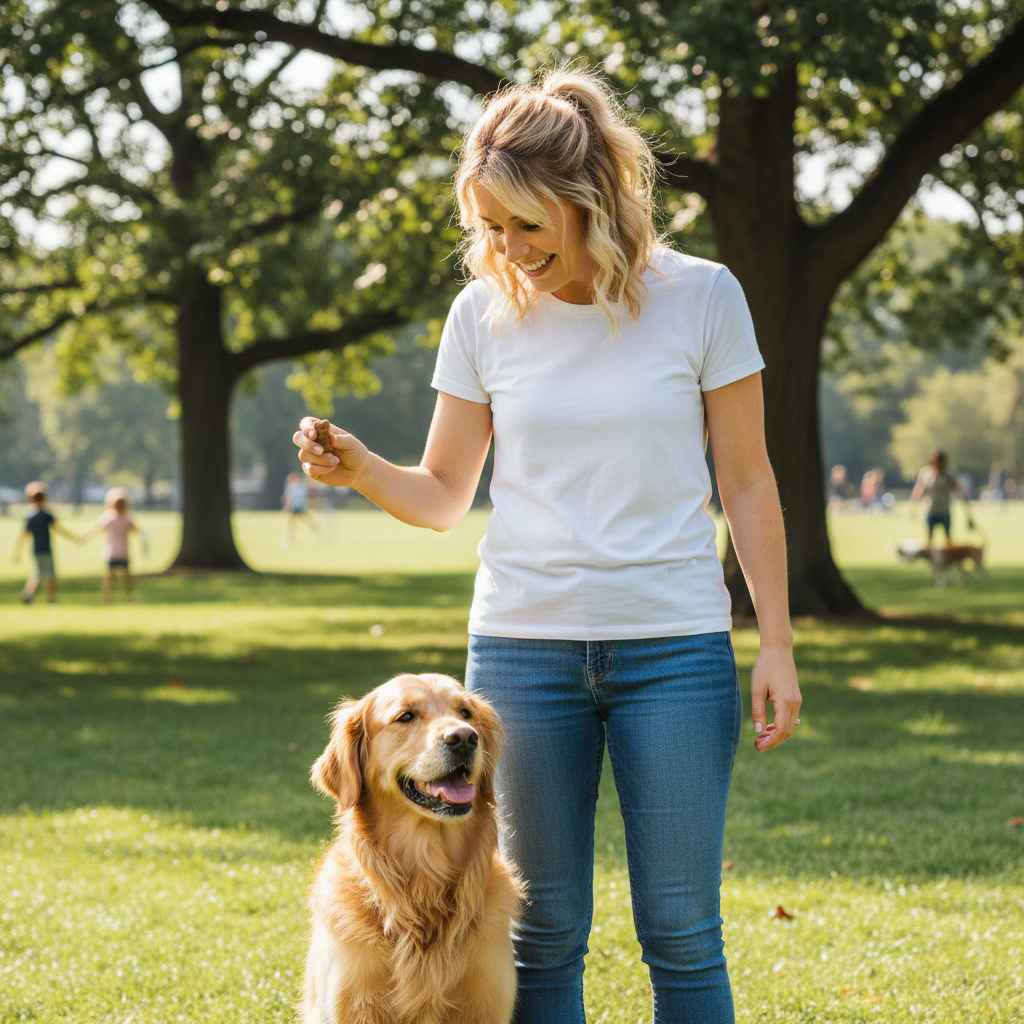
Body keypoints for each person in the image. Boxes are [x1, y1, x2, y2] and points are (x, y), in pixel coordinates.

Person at [293, 68, 801, 1024]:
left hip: (675, 649)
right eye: (489, 226)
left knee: (683, 932)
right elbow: (443, 495)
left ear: (592, 198)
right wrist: (362, 469)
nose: (508, 249)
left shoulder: (703, 297)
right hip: (523, 654)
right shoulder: (480, 316)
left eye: (527, 224)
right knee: (544, 930)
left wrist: (774, 640)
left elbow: (747, 480)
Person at [12, 482, 77, 603]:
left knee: (38, 574)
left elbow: (23, 536)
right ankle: (51, 599)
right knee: (51, 575)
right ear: (44, 499)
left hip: (36, 549)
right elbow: (59, 528)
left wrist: (17, 553)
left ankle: (28, 594)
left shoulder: (29, 517)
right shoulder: (46, 516)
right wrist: (72, 537)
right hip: (46, 549)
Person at [77, 487, 139, 603]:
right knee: (126, 576)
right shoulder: (127, 518)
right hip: (123, 552)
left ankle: (107, 598)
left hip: (112, 552)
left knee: (109, 577)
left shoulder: (108, 517)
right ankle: (130, 597)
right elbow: (136, 530)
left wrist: (83, 537)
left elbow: (95, 530)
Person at [910, 450, 970, 544]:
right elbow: (919, 489)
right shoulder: (926, 473)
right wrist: (914, 505)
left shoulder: (949, 473)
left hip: (945, 511)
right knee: (929, 539)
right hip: (931, 510)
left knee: (948, 539)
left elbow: (958, 489)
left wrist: (966, 506)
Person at [281, 471, 314, 546]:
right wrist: (286, 506)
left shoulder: (301, 486)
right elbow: (287, 497)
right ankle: (291, 536)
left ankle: (315, 529)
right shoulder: (291, 486)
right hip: (293, 507)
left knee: (306, 520)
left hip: (300, 506)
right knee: (291, 522)